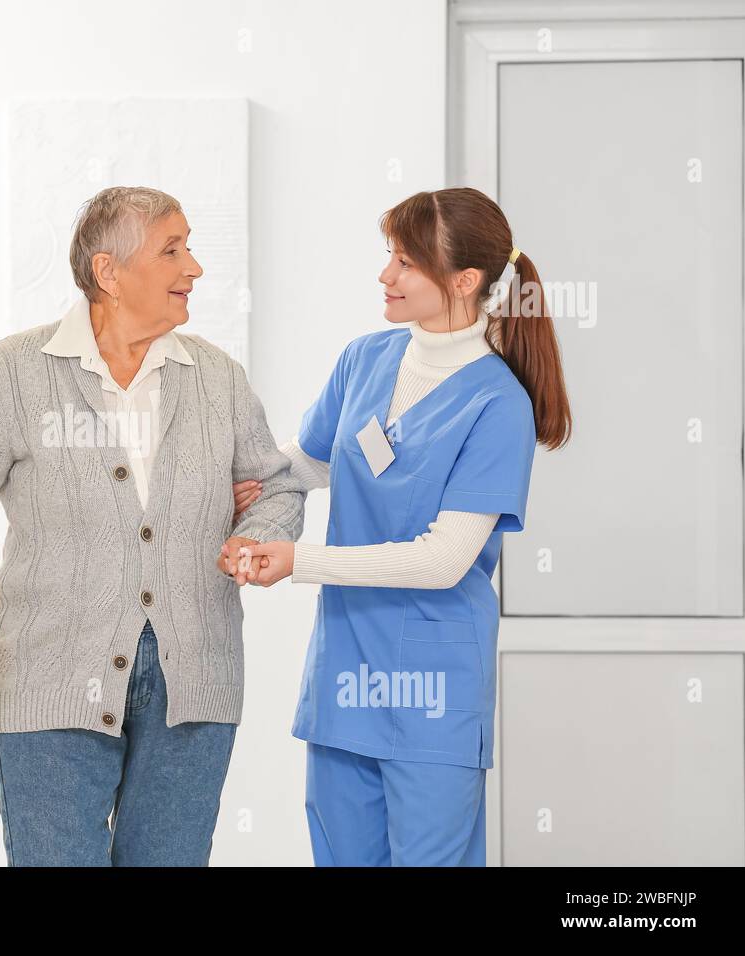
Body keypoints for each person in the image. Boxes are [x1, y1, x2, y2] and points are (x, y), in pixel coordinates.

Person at [0, 186, 306, 866]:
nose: (194, 269)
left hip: (193, 681)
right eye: (172, 251)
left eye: (189, 248)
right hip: (48, 675)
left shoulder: (216, 377)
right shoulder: (18, 372)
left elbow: (276, 485)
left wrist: (257, 533)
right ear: (108, 273)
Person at [230, 187, 572, 866]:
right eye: (389, 255)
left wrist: (300, 560)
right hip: (345, 674)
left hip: (433, 689)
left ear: (464, 281)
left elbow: (443, 560)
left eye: (407, 262)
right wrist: (246, 487)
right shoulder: (366, 358)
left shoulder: (496, 403)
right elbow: (313, 461)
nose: (386, 275)